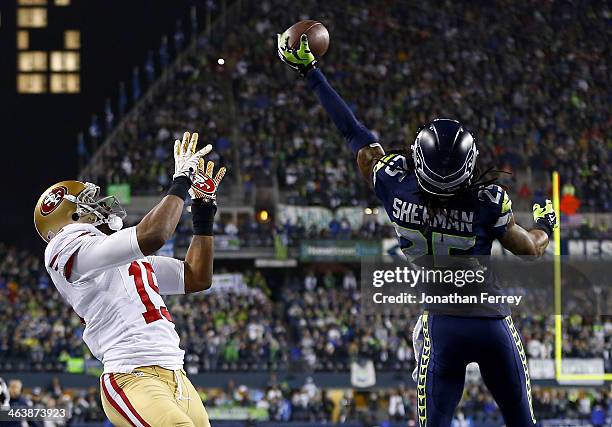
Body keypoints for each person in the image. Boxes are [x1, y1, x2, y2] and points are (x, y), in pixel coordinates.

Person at [278, 34, 558, 427]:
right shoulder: (487, 200)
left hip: (442, 322)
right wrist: (546, 226)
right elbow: (530, 248)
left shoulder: (395, 185)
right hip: (492, 322)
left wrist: (311, 73)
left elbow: (354, 133)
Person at [34, 131, 226, 427]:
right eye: (85, 202)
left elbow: (196, 277)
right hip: (131, 374)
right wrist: (181, 181)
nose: (96, 206)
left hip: (176, 373)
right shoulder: (64, 247)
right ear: (67, 216)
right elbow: (154, 235)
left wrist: (203, 213)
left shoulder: (112, 254)